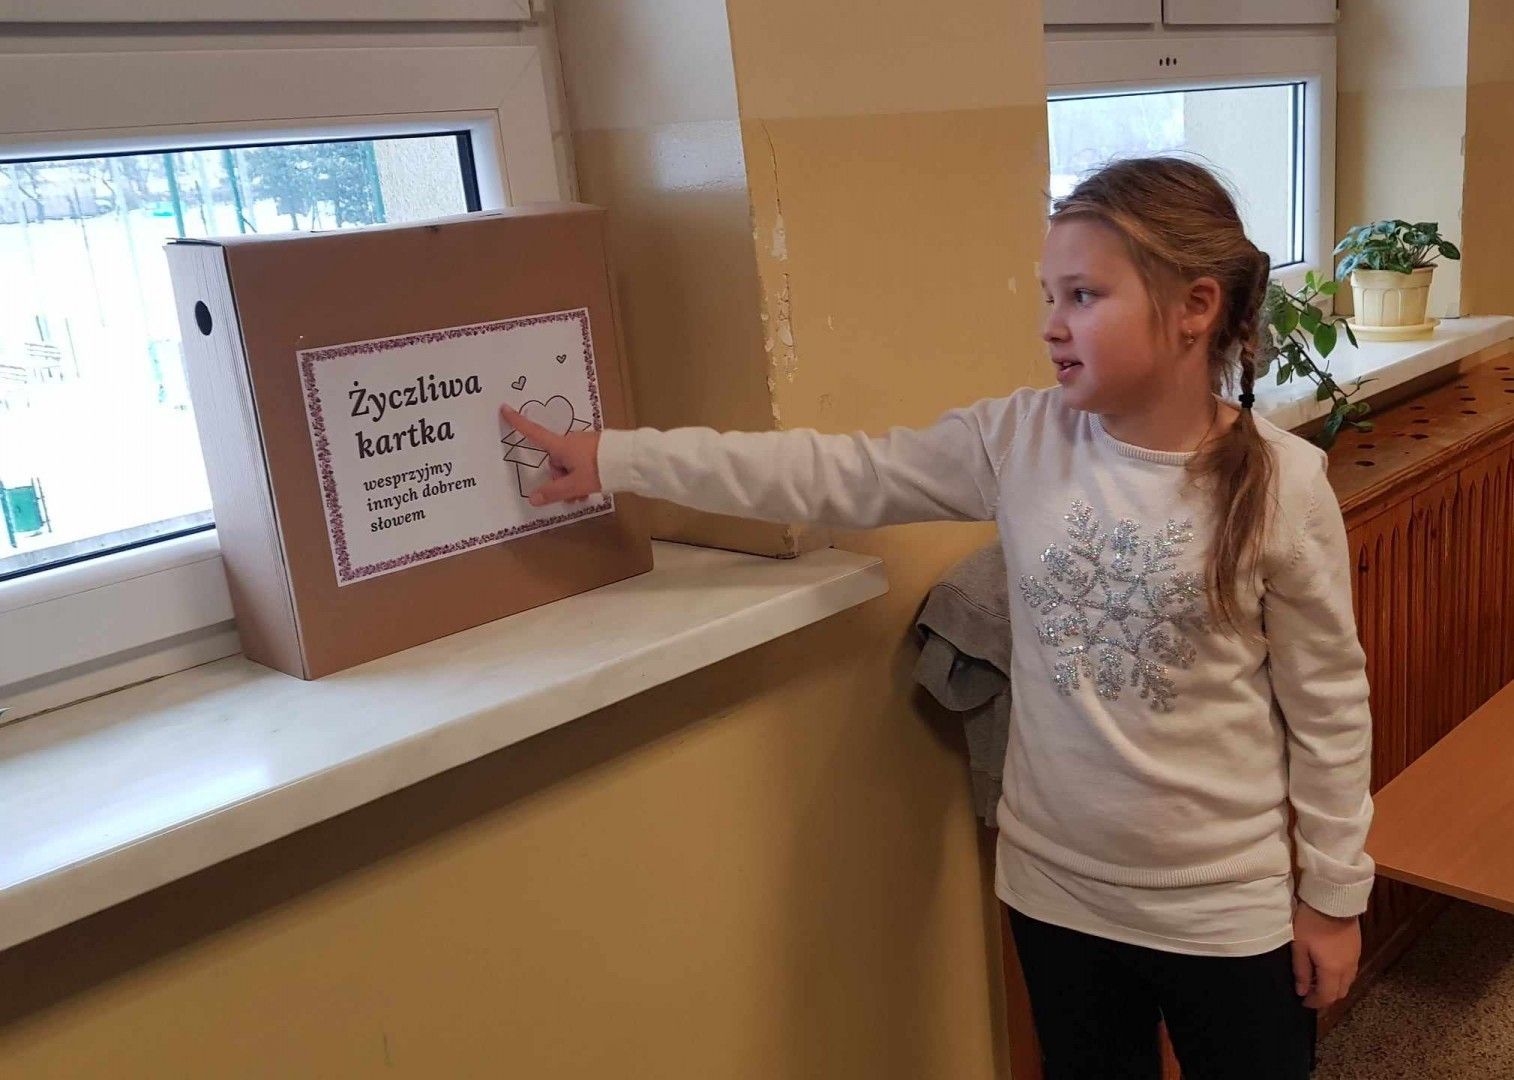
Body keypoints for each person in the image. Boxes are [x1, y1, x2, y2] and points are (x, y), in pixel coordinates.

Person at [500, 156, 1372, 1079]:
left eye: (1083, 295)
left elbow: (1329, 710)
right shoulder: (1019, 439)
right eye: (1048, 295)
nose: (1051, 324)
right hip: (1058, 897)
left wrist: (1332, 897)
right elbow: (834, 473)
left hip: (1226, 912)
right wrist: (618, 459)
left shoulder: (1285, 487)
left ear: (1195, 307)